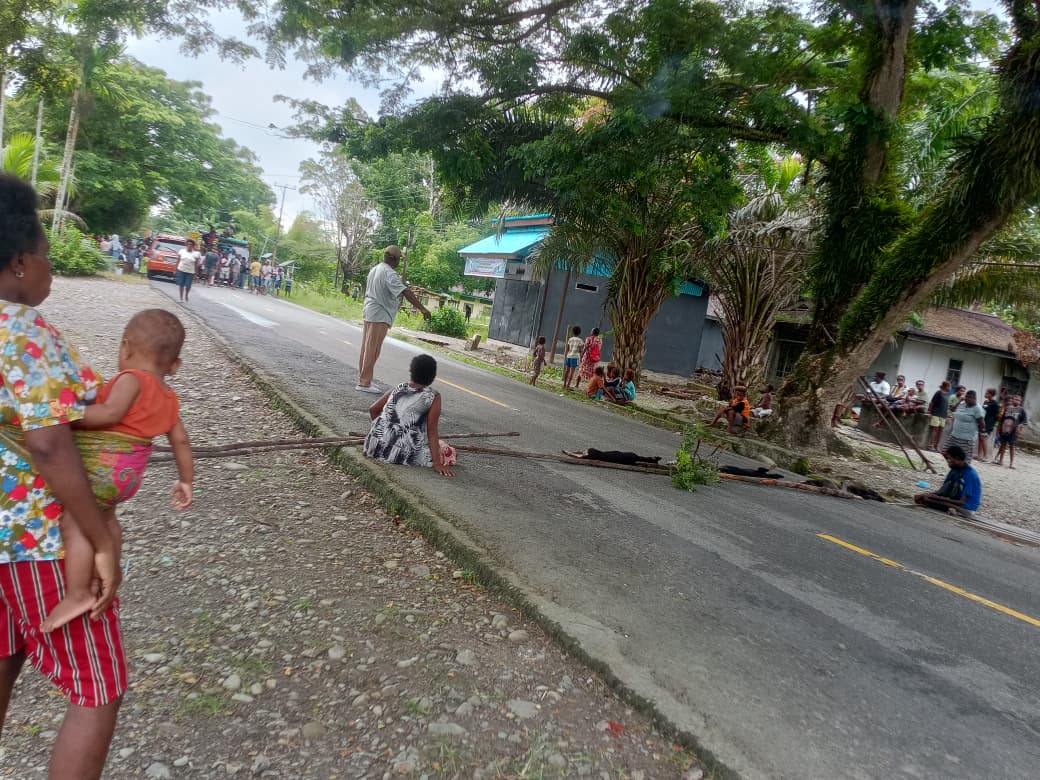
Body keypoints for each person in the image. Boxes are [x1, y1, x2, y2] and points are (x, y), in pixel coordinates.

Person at [0, 173, 125, 777]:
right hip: (38, 541)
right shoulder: (22, 330)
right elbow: (48, 443)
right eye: (47, 257)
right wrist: (100, 540)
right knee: (96, 689)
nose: (49, 270)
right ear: (22, 262)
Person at [41, 310, 194, 632]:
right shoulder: (169, 399)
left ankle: (78, 592)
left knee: (76, 521)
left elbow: (110, 414)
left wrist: (65, 415)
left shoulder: (131, 379)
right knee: (107, 518)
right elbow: (180, 441)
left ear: (125, 348)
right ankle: (110, 570)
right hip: (128, 478)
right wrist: (185, 480)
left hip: (103, 468)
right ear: (175, 365)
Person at [356, 246, 431, 394]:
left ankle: (365, 379)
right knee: (373, 349)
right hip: (380, 313)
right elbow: (405, 291)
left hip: (371, 310)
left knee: (367, 347)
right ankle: (364, 382)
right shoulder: (389, 273)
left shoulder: (376, 268)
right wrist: (422, 308)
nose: (399, 263)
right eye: (399, 260)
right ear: (394, 259)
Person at [364, 354, 454, 477]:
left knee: (438, 443)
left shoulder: (399, 387)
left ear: (411, 372)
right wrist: (437, 463)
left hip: (373, 447)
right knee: (449, 451)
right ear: (433, 377)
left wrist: (383, 432)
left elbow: (373, 409)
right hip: (403, 453)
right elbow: (431, 430)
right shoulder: (433, 396)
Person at [914, 445, 982, 519]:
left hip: (966, 508)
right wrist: (928, 494)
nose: (948, 461)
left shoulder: (970, 474)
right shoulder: (954, 470)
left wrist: (934, 498)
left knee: (927, 499)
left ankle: (955, 510)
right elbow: (942, 491)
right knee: (924, 498)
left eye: (949, 459)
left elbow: (962, 502)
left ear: (957, 458)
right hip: (954, 501)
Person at [941, 389, 984, 464]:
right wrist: (959, 401)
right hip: (954, 435)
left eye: (970, 397)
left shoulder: (977, 409)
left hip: (966, 439)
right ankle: (954, 466)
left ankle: (962, 473)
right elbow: (952, 410)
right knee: (945, 451)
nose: (967, 399)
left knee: (965, 460)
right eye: (966, 397)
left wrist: (979, 432)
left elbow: (982, 424)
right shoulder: (962, 404)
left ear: (974, 399)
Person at [992, 395, 1028, 469]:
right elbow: (1002, 419)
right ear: (1012, 400)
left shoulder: (1021, 410)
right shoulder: (1007, 408)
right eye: (1015, 399)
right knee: (1003, 445)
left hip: (1014, 431)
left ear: (1020, 402)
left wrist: (1020, 426)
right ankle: (1000, 460)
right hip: (1005, 430)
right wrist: (999, 428)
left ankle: (1012, 463)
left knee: (1012, 446)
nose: (1016, 401)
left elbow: (1025, 421)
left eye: (1018, 400)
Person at [926, 380, 951, 450]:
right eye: (949, 386)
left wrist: (948, 414)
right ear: (946, 386)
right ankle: (931, 445)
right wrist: (930, 412)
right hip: (936, 414)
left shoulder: (947, 394)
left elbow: (946, 406)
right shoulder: (938, 393)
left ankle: (936, 446)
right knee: (935, 429)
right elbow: (932, 403)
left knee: (941, 430)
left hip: (943, 415)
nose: (950, 388)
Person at [175, 238, 200, 303]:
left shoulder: (196, 254)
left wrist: (196, 273)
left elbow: (196, 264)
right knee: (181, 284)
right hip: (181, 270)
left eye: (191, 244)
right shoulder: (181, 251)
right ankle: (181, 298)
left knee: (188, 285)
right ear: (186, 245)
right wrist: (175, 269)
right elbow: (178, 261)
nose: (189, 245)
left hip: (190, 272)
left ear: (193, 246)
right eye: (188, 244)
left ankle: (186, 295)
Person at [980, 388, 1000, 460]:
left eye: (987, 393)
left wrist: (993, 423)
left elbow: (998, 415)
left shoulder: (995, 403)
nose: (985, 394)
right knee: (980, 438)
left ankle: (985, 456)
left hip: (989, 423)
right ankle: (979, 455)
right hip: (982, 422)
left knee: (984, 438)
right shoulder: (985, 402)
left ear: (991, 394)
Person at [563, 325, 583, 390]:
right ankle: (568, 385)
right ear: (579, 332)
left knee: (567, 370)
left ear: (572, 332)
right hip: (575, 357)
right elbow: (580, 350)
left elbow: (568, 348)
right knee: (572, 372)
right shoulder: (580, 340)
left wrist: (566, 355)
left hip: (569, 356)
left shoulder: (570, 339)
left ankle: (564, 384)